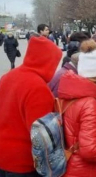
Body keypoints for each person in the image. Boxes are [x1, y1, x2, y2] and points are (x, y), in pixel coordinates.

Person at [0, 36, 62, 176]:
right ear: (48, 62)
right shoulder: (38, 87)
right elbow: (41, 136)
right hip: (22, 162)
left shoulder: (8, 76)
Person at [57, 39, 96, 177]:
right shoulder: (89, 103)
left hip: (69, 163)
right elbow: (90, 150)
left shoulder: (69, 92)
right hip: (82, 170)